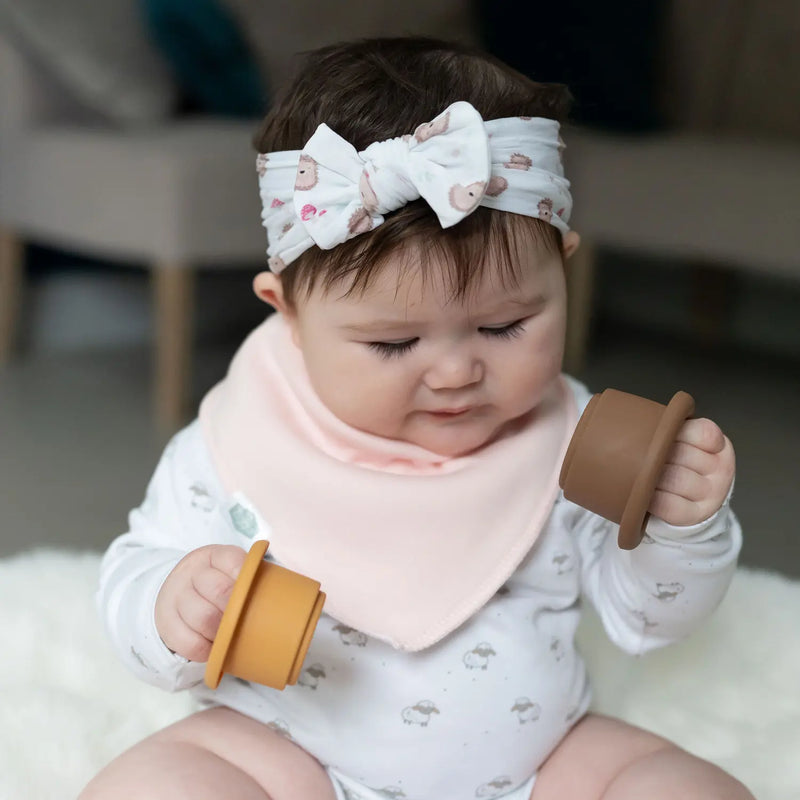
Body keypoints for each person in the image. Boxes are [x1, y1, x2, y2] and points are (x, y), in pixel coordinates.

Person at [80, 37, 753, 800]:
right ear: (289, 315)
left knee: (681, 788)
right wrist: (172, 601)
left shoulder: (571, 439)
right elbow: (133, 575)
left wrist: (679, 527)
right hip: (289, 751)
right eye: (394, 343)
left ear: (563, 269)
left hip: (537, 761)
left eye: (505, 328)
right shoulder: (240, 444)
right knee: (156, 786)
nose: (456, 372)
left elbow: (650, 621)